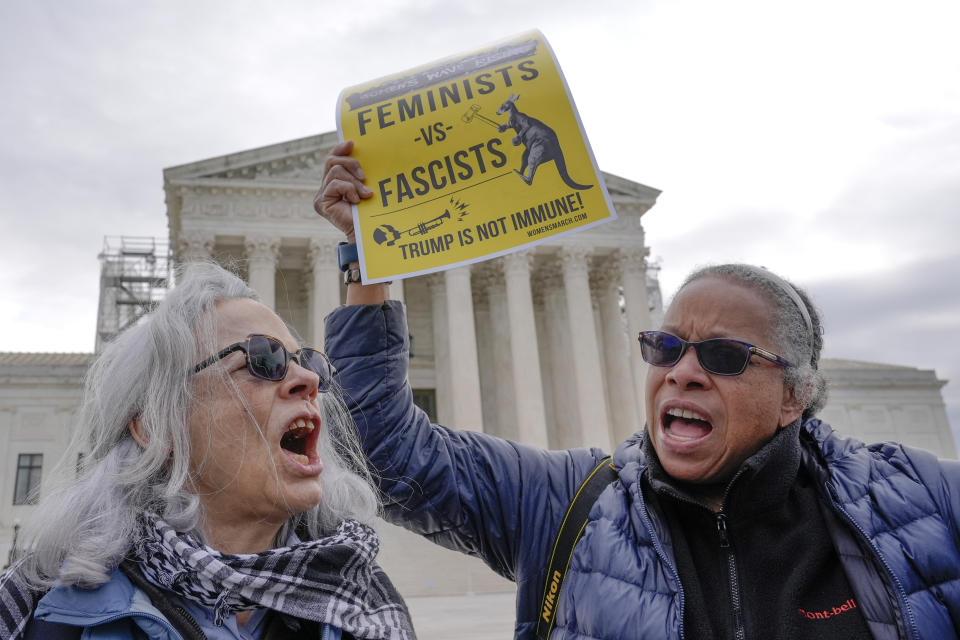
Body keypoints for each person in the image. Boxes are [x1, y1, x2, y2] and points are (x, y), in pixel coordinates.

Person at [316, 140, 960, 639]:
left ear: (796, 393)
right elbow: (385, 455)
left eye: (725, 356)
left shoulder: (924, 506)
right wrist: (368, 259)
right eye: (666, 346)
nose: (682, 370)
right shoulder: (568, 506)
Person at [0, 262, 415, 640]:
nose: (308, 379)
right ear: (158, 428)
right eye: (261, 358)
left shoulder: (369, 607)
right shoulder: (35, 611)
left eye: (307, 361)